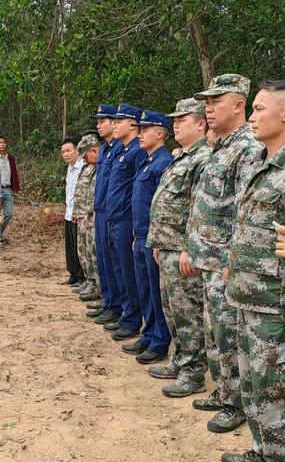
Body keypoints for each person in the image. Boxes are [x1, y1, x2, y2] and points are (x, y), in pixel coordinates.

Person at [187, 74, 263, 433]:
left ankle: (236, 403)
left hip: (225, 263)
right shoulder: (222, 146)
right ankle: (224, 390)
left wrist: (233, 261)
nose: (208, 107)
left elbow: (245, 212)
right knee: (214, 332)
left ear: (238, 105)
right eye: (207, 101)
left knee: (228, 334)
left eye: (216, 101)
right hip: (209, 260)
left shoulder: (247, 148)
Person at [222, 79, 285, 462]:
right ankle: (262, 449)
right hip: (248, 297)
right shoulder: (262, 162)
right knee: (255, 385)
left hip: (276, 304)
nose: (252, 116)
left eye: (259, 108)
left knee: (277, 388)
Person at [146, 98, 212, 397]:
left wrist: (187, 247)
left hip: (183, 252)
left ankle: (194, 373)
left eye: (182, 120)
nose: (175, 124)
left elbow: (199, 209)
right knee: (173, 312)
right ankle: (179, 359)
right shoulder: (183, 157)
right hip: (168, 248)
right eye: (174, 119)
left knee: (188, 314)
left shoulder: (203, 159)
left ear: (201, 123)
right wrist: (159, 243)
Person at [121, 110, 173, 364]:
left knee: (155, 290)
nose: (140, 135)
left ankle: (160, 340)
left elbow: (162, 206)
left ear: (160, 133)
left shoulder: (164, 163)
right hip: (140, 235)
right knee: (144, 288)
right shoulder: (148, 161)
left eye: (145, 130)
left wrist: (156, 239)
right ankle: (149, 333)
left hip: (153, 238)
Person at [101, 104, 145, 340]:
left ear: (133, 124)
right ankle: (126, 314)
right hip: (114, 217)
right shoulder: (123, 150)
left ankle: (132, 319)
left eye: (120, 121)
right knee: (119, 269)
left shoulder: (138, 151)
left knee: (129, 272)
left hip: (127, 219)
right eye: (114, 121)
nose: (115, 125)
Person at [86, 104, 126, 324]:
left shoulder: (121, 148)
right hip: (100, 210)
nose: (98, 125)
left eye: (103, 121)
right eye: (98, 121)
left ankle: (118, 306)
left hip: (113, 212)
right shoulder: (106, 148)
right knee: (103, 260)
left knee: (115, 263)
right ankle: (109, 301)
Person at [72, 133, 101, 301]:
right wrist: (77, 211)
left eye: (86, 154)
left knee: (93, 253)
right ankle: (89, 280)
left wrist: (88, 212)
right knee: (83, 251)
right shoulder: (87, 167)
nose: (84, 158)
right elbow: (80, 192)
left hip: (91, 216)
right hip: (82, 215)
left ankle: (97, 285)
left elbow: (94, 195)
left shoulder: (99, 168)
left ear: (94, 150)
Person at [61, 137, 85, 286]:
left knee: (79, 247)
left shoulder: (83, 167)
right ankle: (73, 275)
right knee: (70, 246)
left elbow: (81, 192)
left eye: (68, 151)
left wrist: (77, 210)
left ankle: (81, 276)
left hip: (78, 213)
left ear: (77, 151)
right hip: (69, 212)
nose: (65, 154)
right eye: (63, 152)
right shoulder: (69, 168)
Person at [0, 135, 20, 248]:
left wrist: (17, 188)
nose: (2, 144)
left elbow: (14, 173)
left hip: (7, 189)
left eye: (3, 142)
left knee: (8, 214)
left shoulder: (11, 158)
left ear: (6, 144)